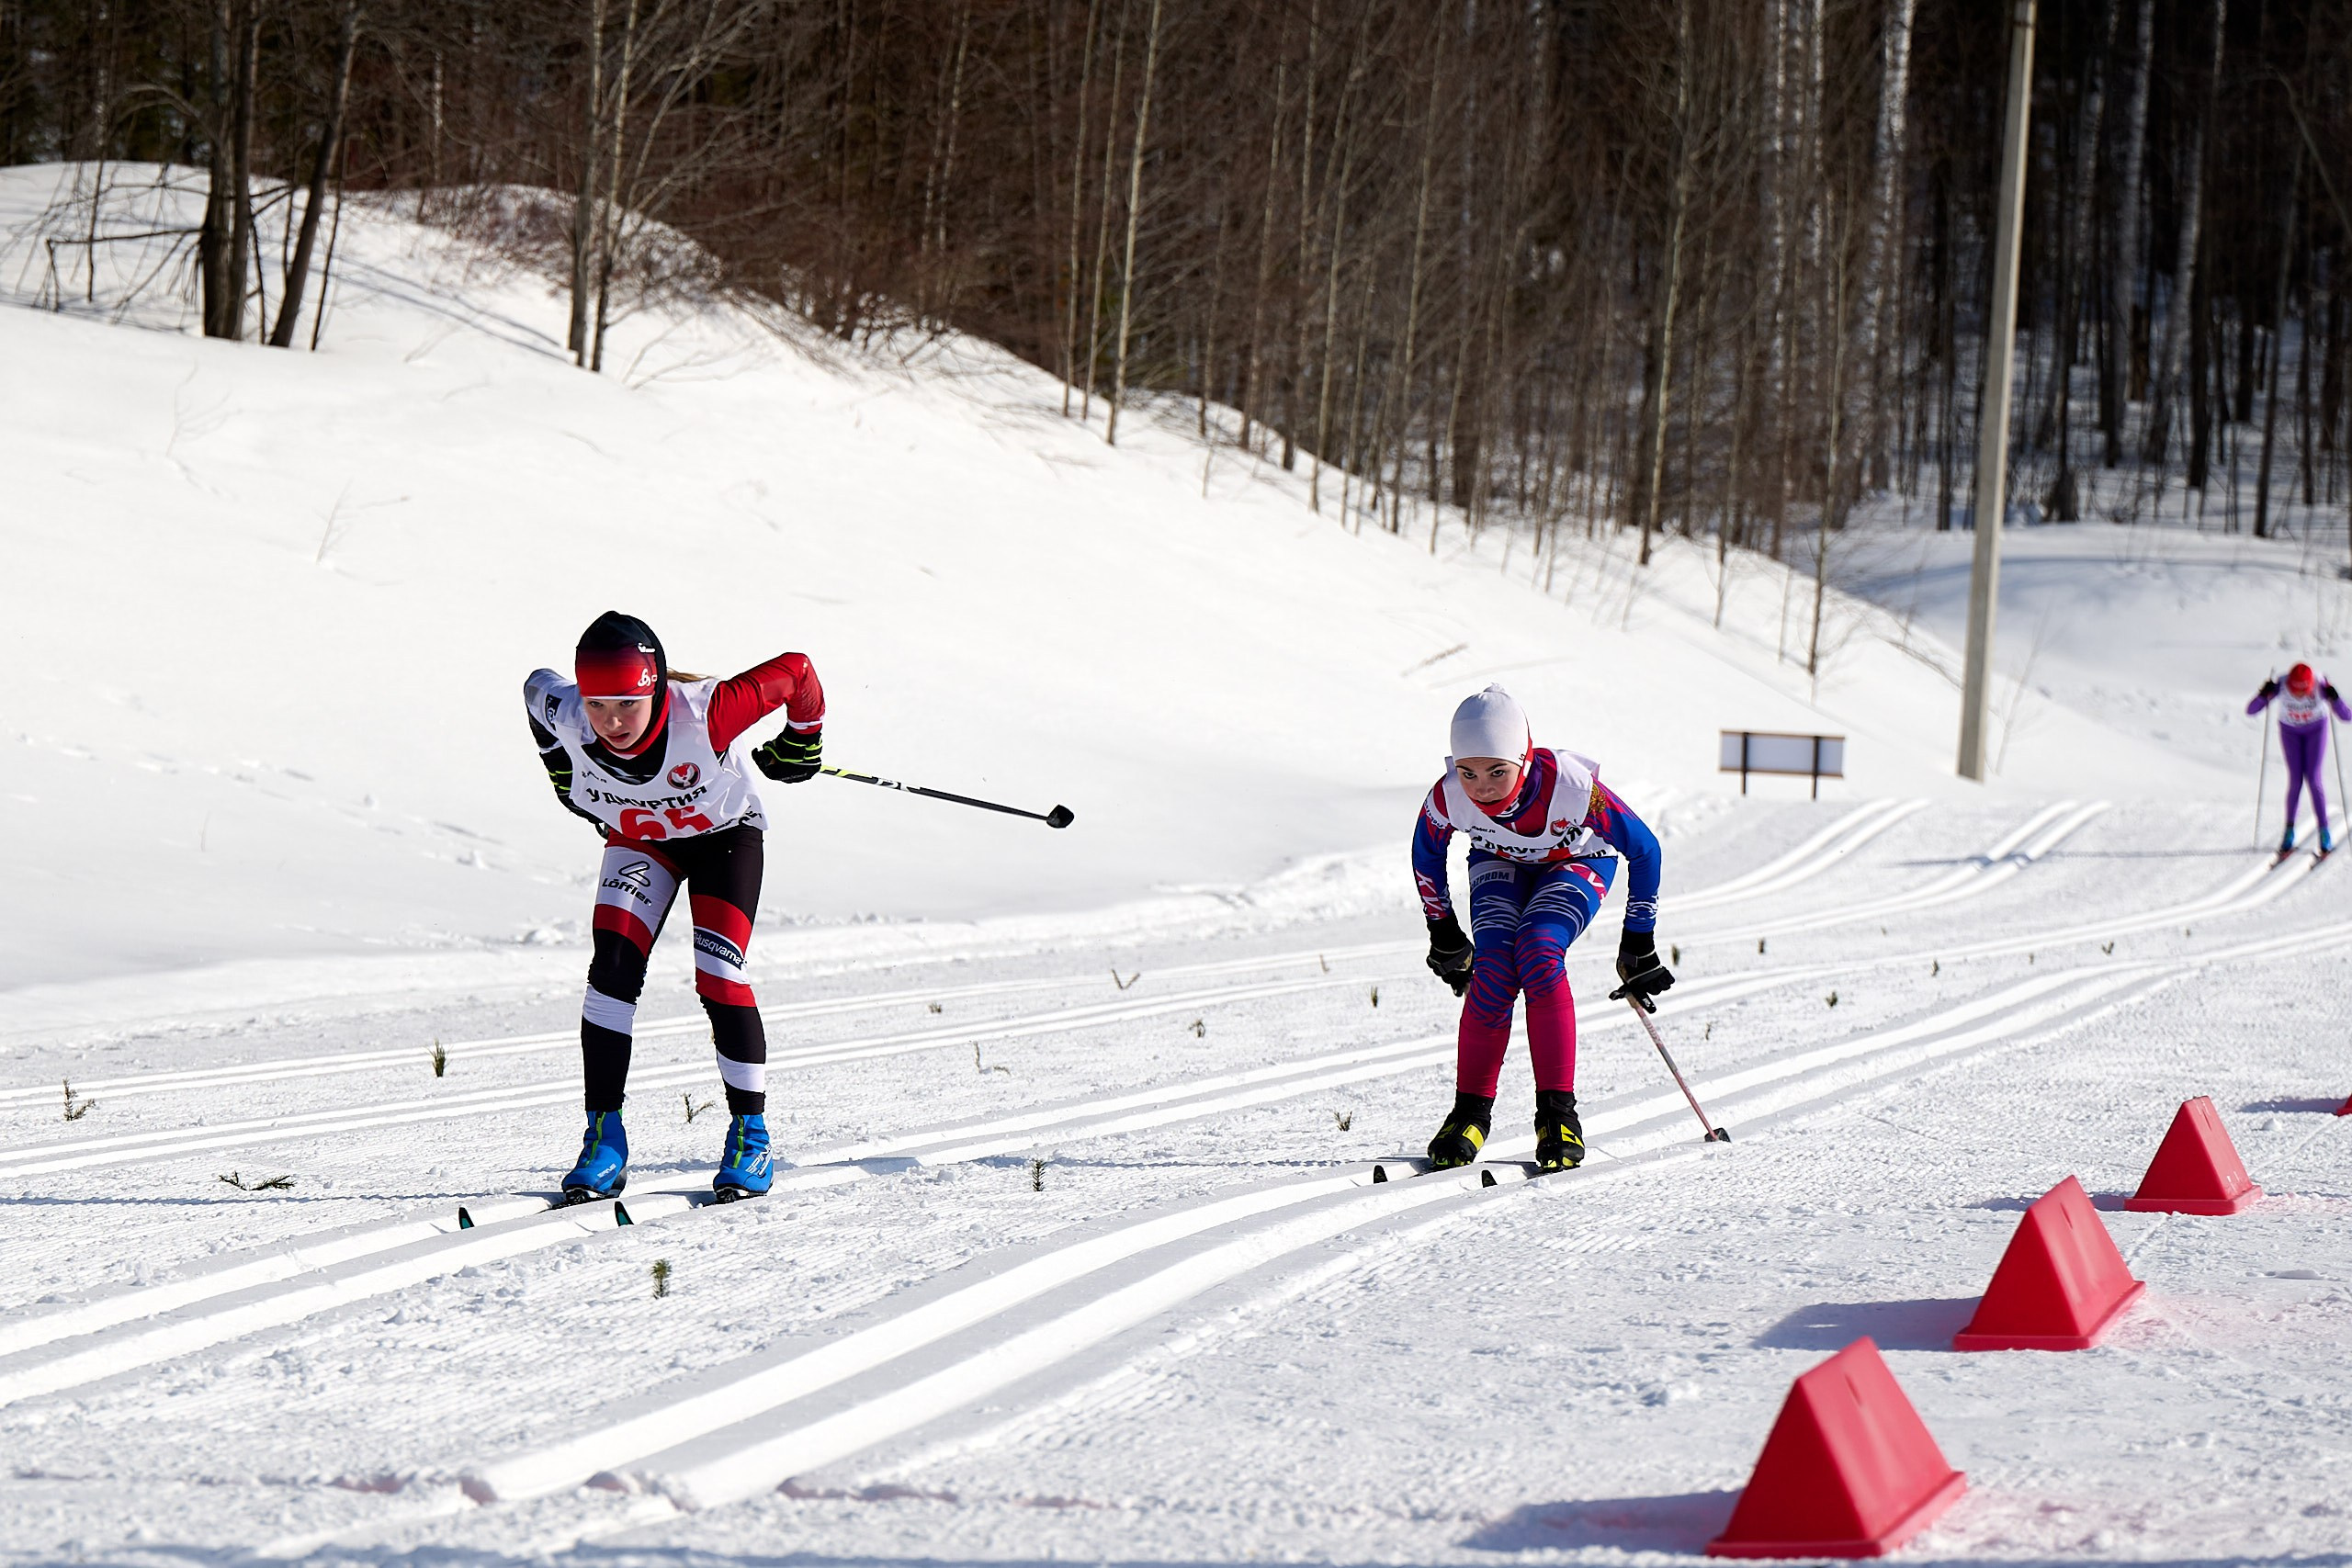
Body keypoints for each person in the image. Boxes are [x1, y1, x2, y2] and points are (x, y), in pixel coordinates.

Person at [525, 611, 825, 1202]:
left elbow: (797, 671)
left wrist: (801, 742)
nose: (610, 723)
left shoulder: (709, 712)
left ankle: (750, 1134)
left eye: (626, 706)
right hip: (641, 837)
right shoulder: (565, 711)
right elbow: (534, 689)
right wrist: (565, 776)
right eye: (597, 705)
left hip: (724, 836)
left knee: (717, 973)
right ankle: (604, 1141)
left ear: (656, 687)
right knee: (610, 972)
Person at [1411, 685, 1670, 1173]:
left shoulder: (1572, 788)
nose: (1481, 787)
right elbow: (1426, 854)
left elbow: (1645, 849)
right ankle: (1469, 1113)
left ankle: (1557, 1116)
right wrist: (1442, 930)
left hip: (1576, 860)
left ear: (1524, 758)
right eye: (1467, 772)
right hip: (1499, 860)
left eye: (1497, 771)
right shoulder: (1448, 797)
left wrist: (1638, 941)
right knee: (1493, 970)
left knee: (1537, 950)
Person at [2247, 663, 2349, 857]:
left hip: (2315, 730)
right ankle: (2288, 832)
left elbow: (2347, 717)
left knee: (2314, 779)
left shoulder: (2320, 684)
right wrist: (2263, 694)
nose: (2300, 695)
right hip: (2290, 732)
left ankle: (2324, 833)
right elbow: (2251, 711)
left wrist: (2335, 699)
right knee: (2295, 780)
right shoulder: (2283, 683)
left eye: (2304, 691)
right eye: (2296, 691)